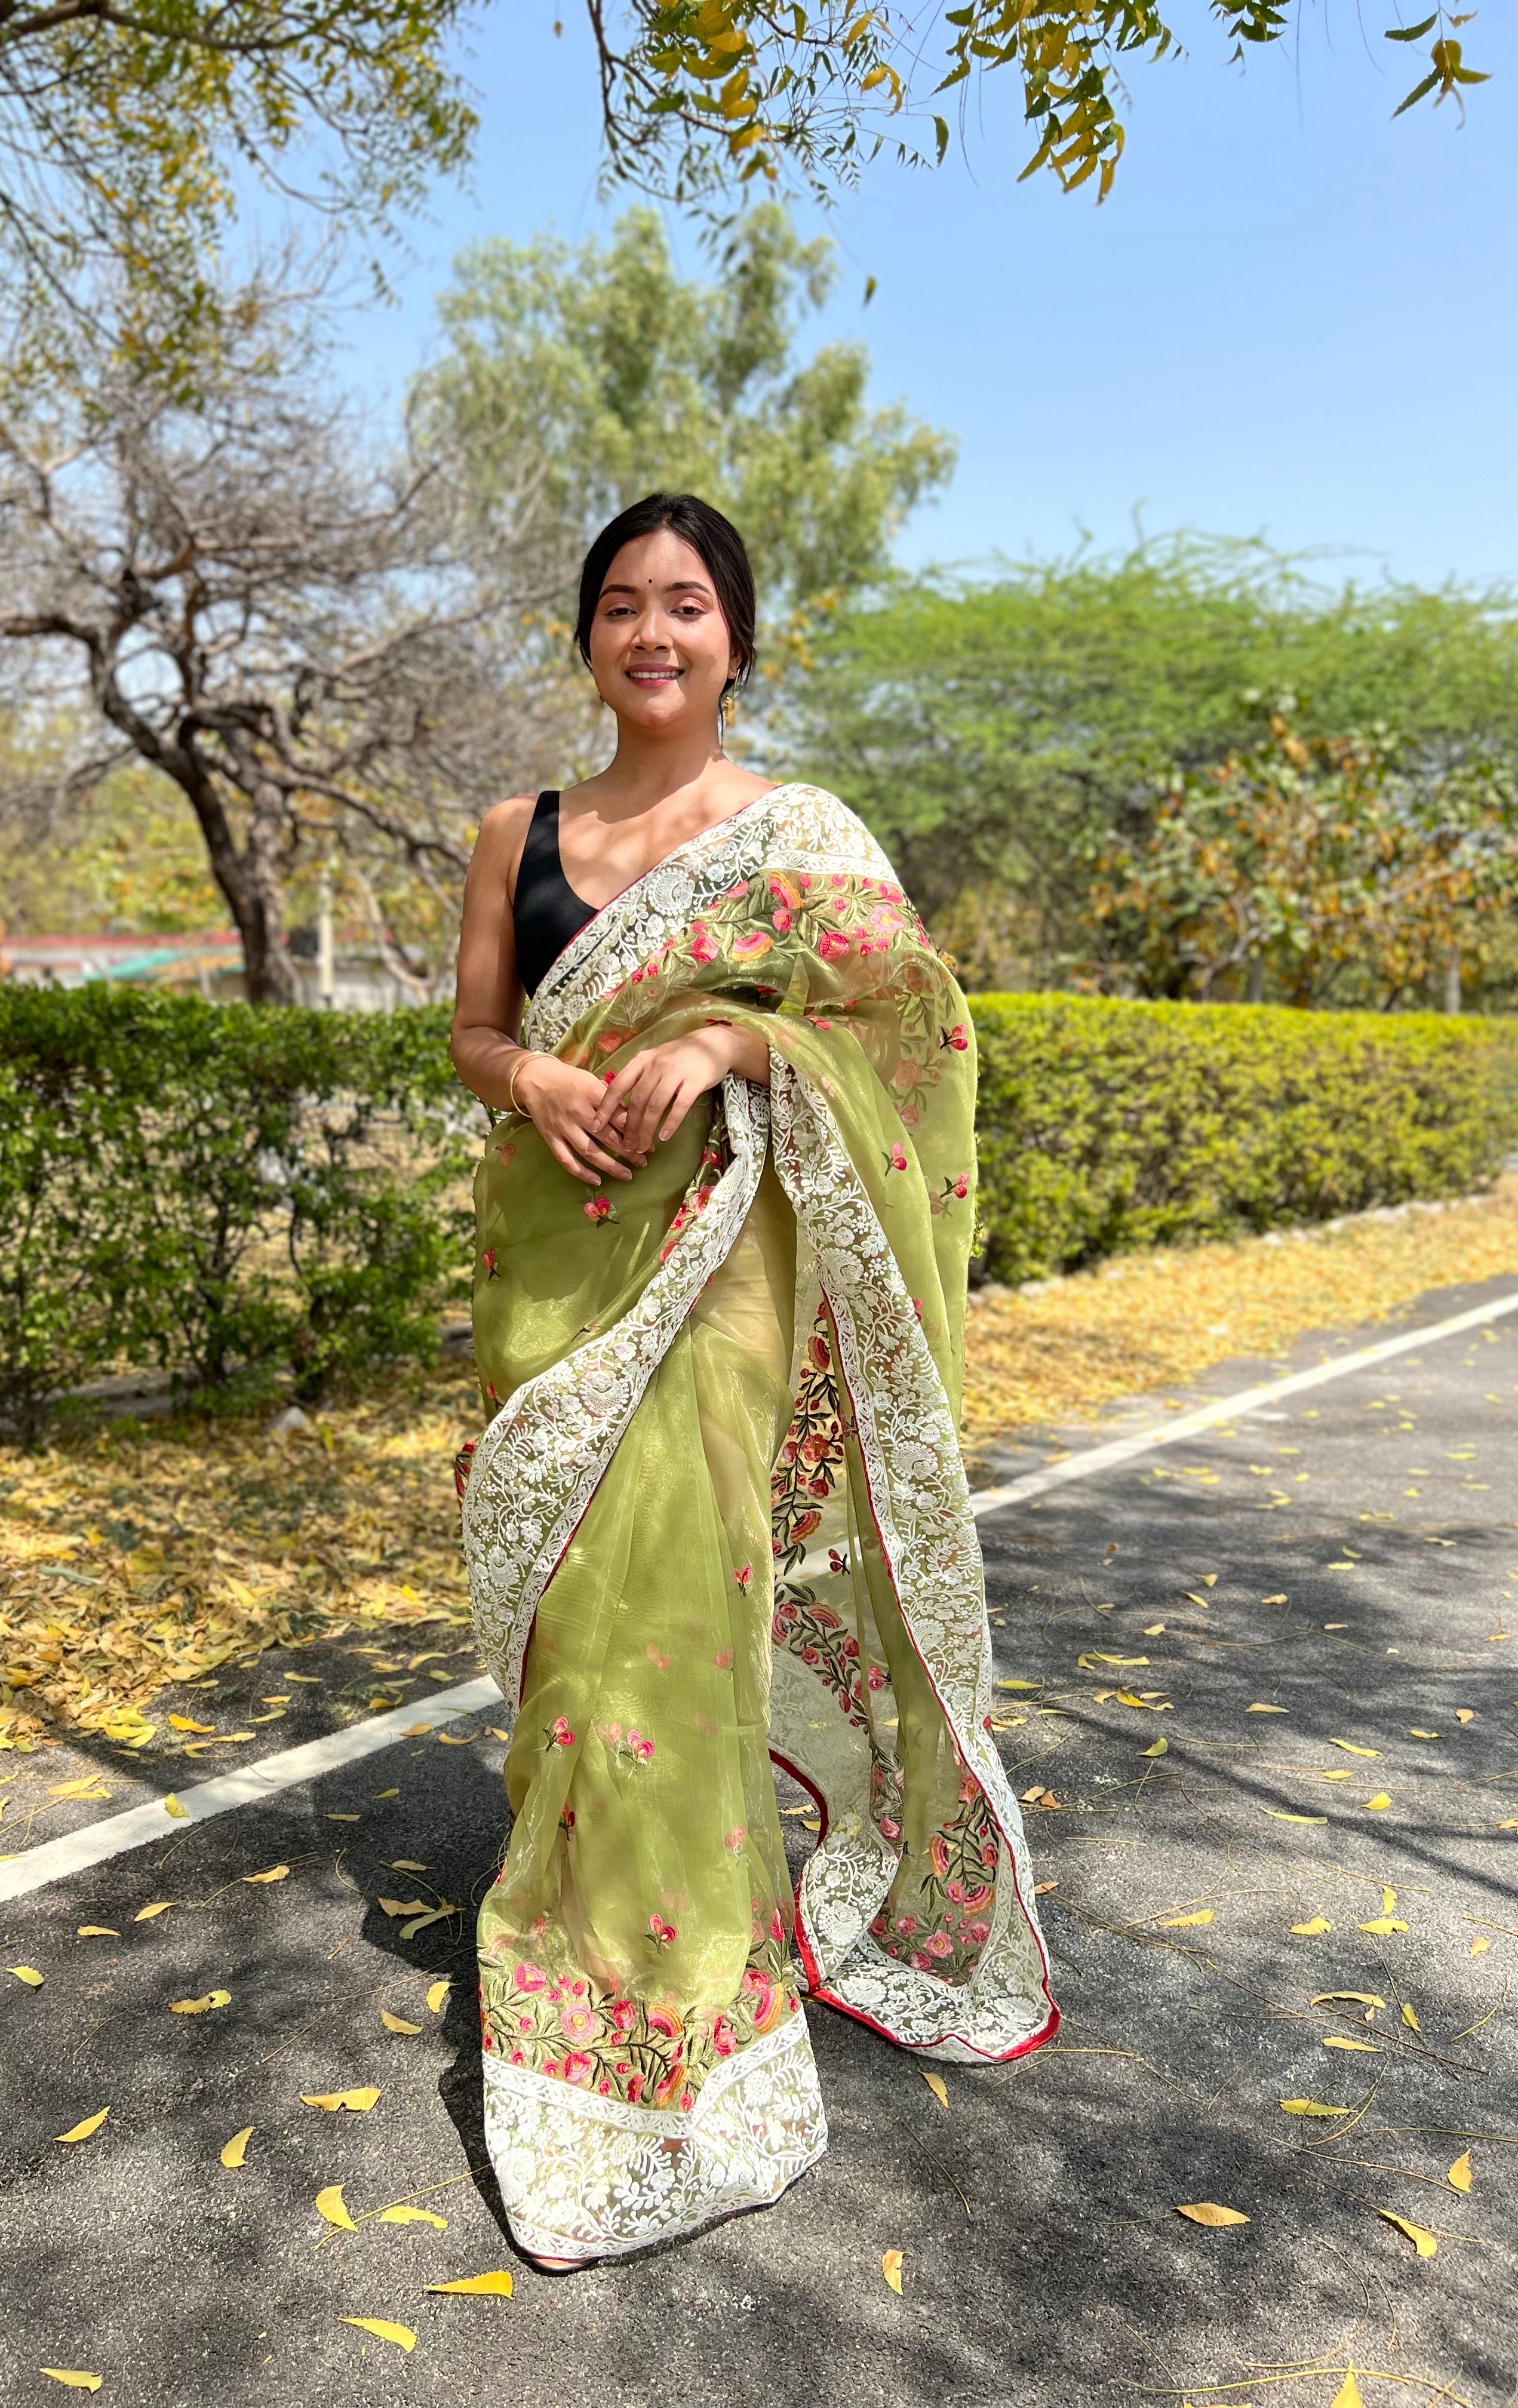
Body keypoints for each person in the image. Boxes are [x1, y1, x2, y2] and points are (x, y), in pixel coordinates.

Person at [449, 492, 1055, 2269]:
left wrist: (730, 1034)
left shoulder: (793, 837)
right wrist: (532, 1082)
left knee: (669, 1595)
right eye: (623, 604)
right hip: (552, 1259)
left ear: (738, 640)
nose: (654, 632)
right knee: (574, 1611)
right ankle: (592, 1897)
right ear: (586, 634)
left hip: (719, 1263)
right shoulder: (517, 830)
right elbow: (479, 1029)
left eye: (688, 605)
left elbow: (912, 1025)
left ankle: (669, 1976)